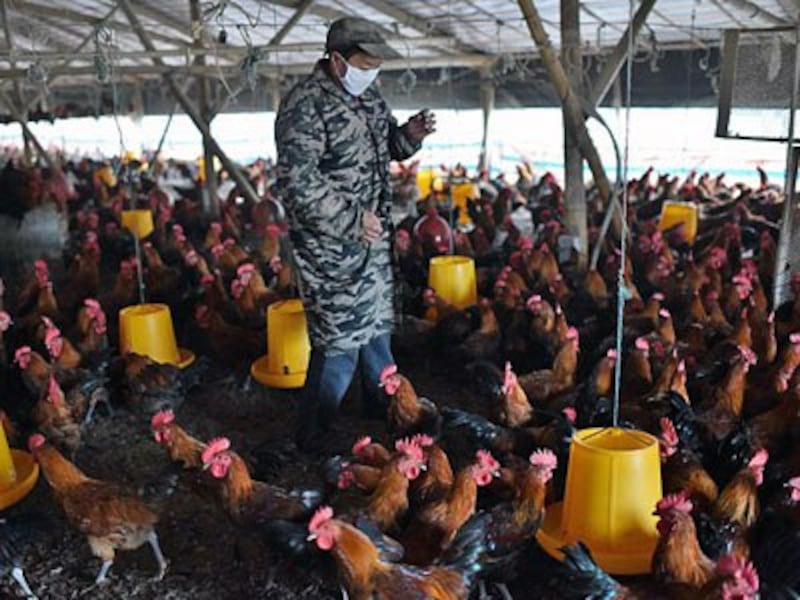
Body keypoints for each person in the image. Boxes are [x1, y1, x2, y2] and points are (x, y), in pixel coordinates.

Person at [275, 17, 436, 450]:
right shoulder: (305, 105)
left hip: (371, 242)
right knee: (339, 344)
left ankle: (381, 406)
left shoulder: (368, 98)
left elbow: (386, 147)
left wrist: (409, 137)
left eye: (378, 63)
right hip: (331, 248)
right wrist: (349, 218)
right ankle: (315, 432)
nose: (373, 71)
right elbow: (297, 181)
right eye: (366, 62)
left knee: (376, 331)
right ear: (336, 60)